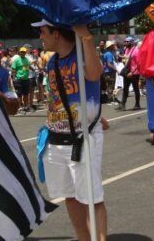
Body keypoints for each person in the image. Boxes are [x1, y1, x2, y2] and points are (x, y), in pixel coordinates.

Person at [35, 19, 108, 241]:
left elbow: (95, 75)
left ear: (56, 34)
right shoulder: (52, 62)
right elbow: (59, 98)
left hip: (82, 139)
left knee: (91, 198)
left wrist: (85, 35)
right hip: (56, 138)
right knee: (70, 196)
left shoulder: (83, 56)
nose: (41, 38)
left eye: (43, 32)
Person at [120, 37, 141, 111]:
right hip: (127, 72)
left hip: (134, 73)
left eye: (127, 42)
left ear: (132, 42)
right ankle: (123, 104)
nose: (125, 43)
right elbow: (126, 59)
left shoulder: (136, 51)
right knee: (125, 89)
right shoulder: (126, 50)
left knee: (136, 89)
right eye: (125, 41)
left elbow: (139, 63)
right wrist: (122, 59)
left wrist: (132, 72)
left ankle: (137, 104)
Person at [12, 47, 34, 114]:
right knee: (19, 95)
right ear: (19, 52)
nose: (23, 53)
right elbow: (13, 69)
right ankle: (19, 108)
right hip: (19, 79)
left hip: (26, 79)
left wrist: (33, 69)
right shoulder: (17, 60)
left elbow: (28, 66)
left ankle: (26, 106)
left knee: (26, 94)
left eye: (24, 52)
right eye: (22, 52)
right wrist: (14, 78)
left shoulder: (26, 59)